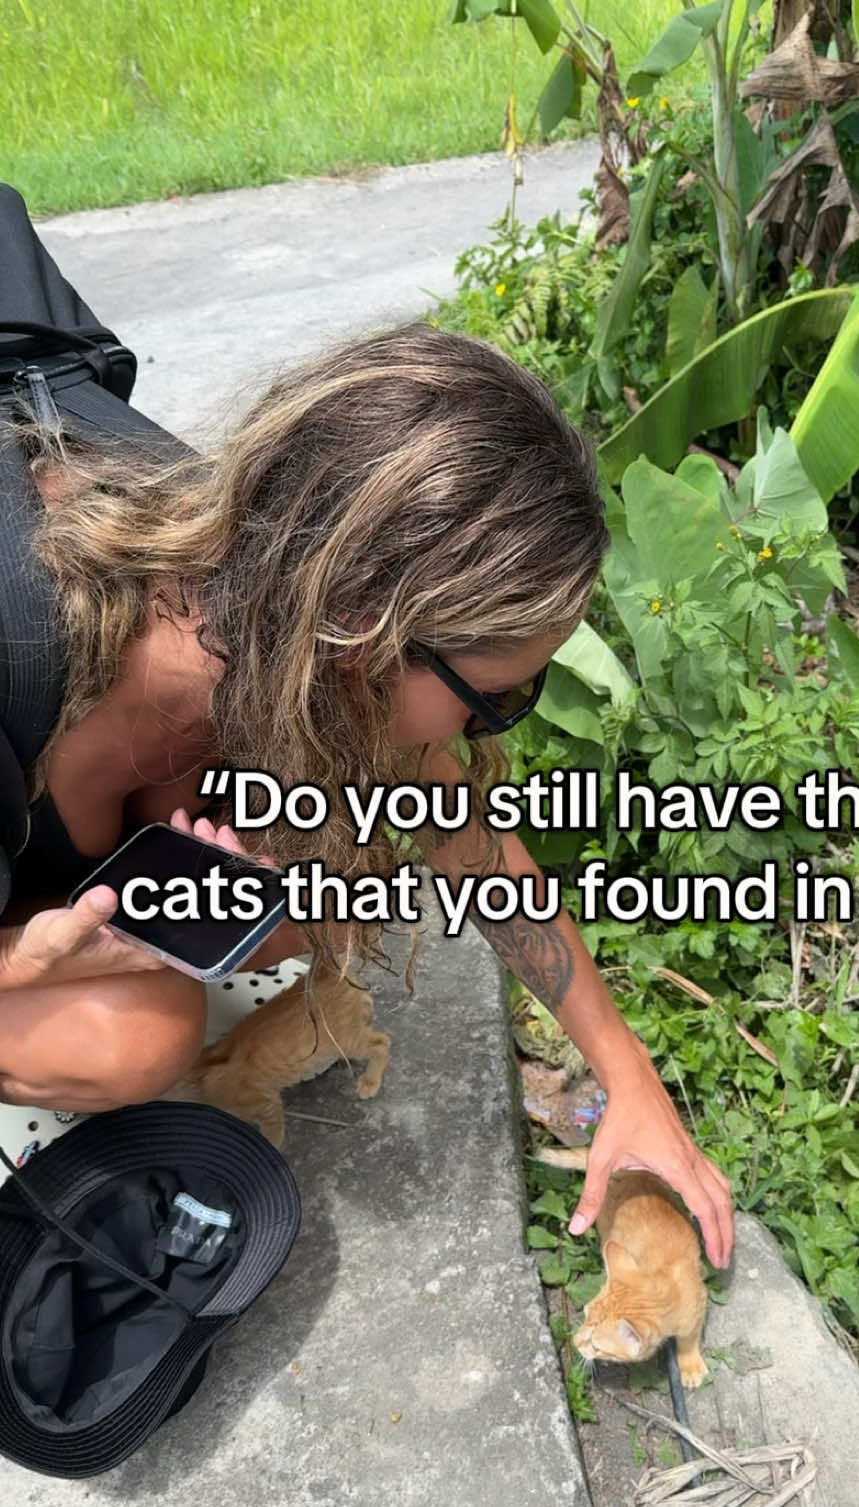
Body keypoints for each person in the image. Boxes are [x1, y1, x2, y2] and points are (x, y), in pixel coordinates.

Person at [0, 321, 734, 1269]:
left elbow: (464, 840)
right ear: (359, 629)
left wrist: (629, 1077)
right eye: (492, 698)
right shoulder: (18, 666)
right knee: (138, 1035)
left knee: (318, 889)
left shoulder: (258, 579)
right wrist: (27, 961)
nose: (484, 732)